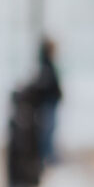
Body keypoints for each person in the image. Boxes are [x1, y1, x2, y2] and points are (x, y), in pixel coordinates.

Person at [33, 36, 63, 168]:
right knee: (47, 130)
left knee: (50, 129)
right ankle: (47, 156)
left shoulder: (47, 65)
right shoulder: (46, 66)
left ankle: (48, 155)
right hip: (48, 103)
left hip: (51, 102)